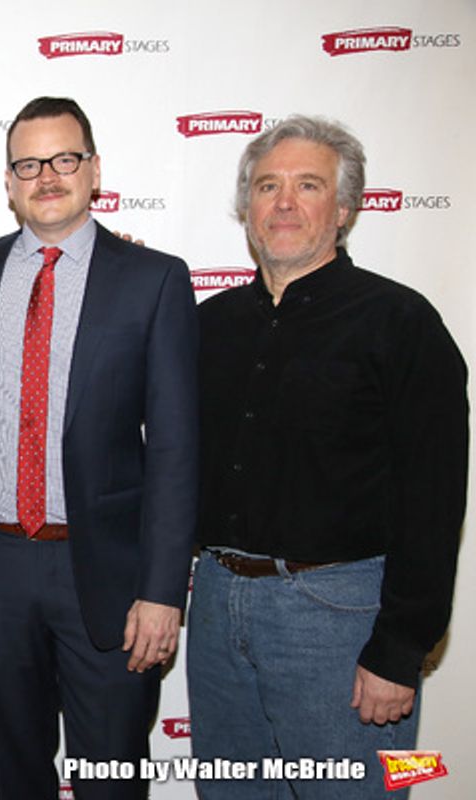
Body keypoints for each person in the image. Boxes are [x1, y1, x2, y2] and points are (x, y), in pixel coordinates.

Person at [189, 115, 468, 798]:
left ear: (343, 209)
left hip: (339, 619)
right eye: (267, 186)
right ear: (245, 209)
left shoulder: (401, 323)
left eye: (306, 185)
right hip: (218, 606)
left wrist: (400, 651)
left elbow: (433, 501)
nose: (283, 203)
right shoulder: (208, 325)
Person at [0, 96, 199, 800]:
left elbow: (176, 447)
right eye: (29, 163)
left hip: (110, 579)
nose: (46, 176)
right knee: (17, 777)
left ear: (94, 171)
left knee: (110, 778)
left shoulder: (153, 279)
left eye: (63, 159)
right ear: (8, 180)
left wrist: (161, 590)